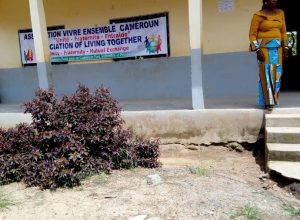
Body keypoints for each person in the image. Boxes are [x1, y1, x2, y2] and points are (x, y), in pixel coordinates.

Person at [249, 0, 289, 110]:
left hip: (278, 48)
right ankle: (268, 102)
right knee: (266, 72)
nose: (275, 0)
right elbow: (252, 35)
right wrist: (257, 50)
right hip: (263, 49)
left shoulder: (280, 13)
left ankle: (274, 99)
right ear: (266, 1)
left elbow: (283, 32)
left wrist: (286, 47)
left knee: (277, 73)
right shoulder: (258, 15)